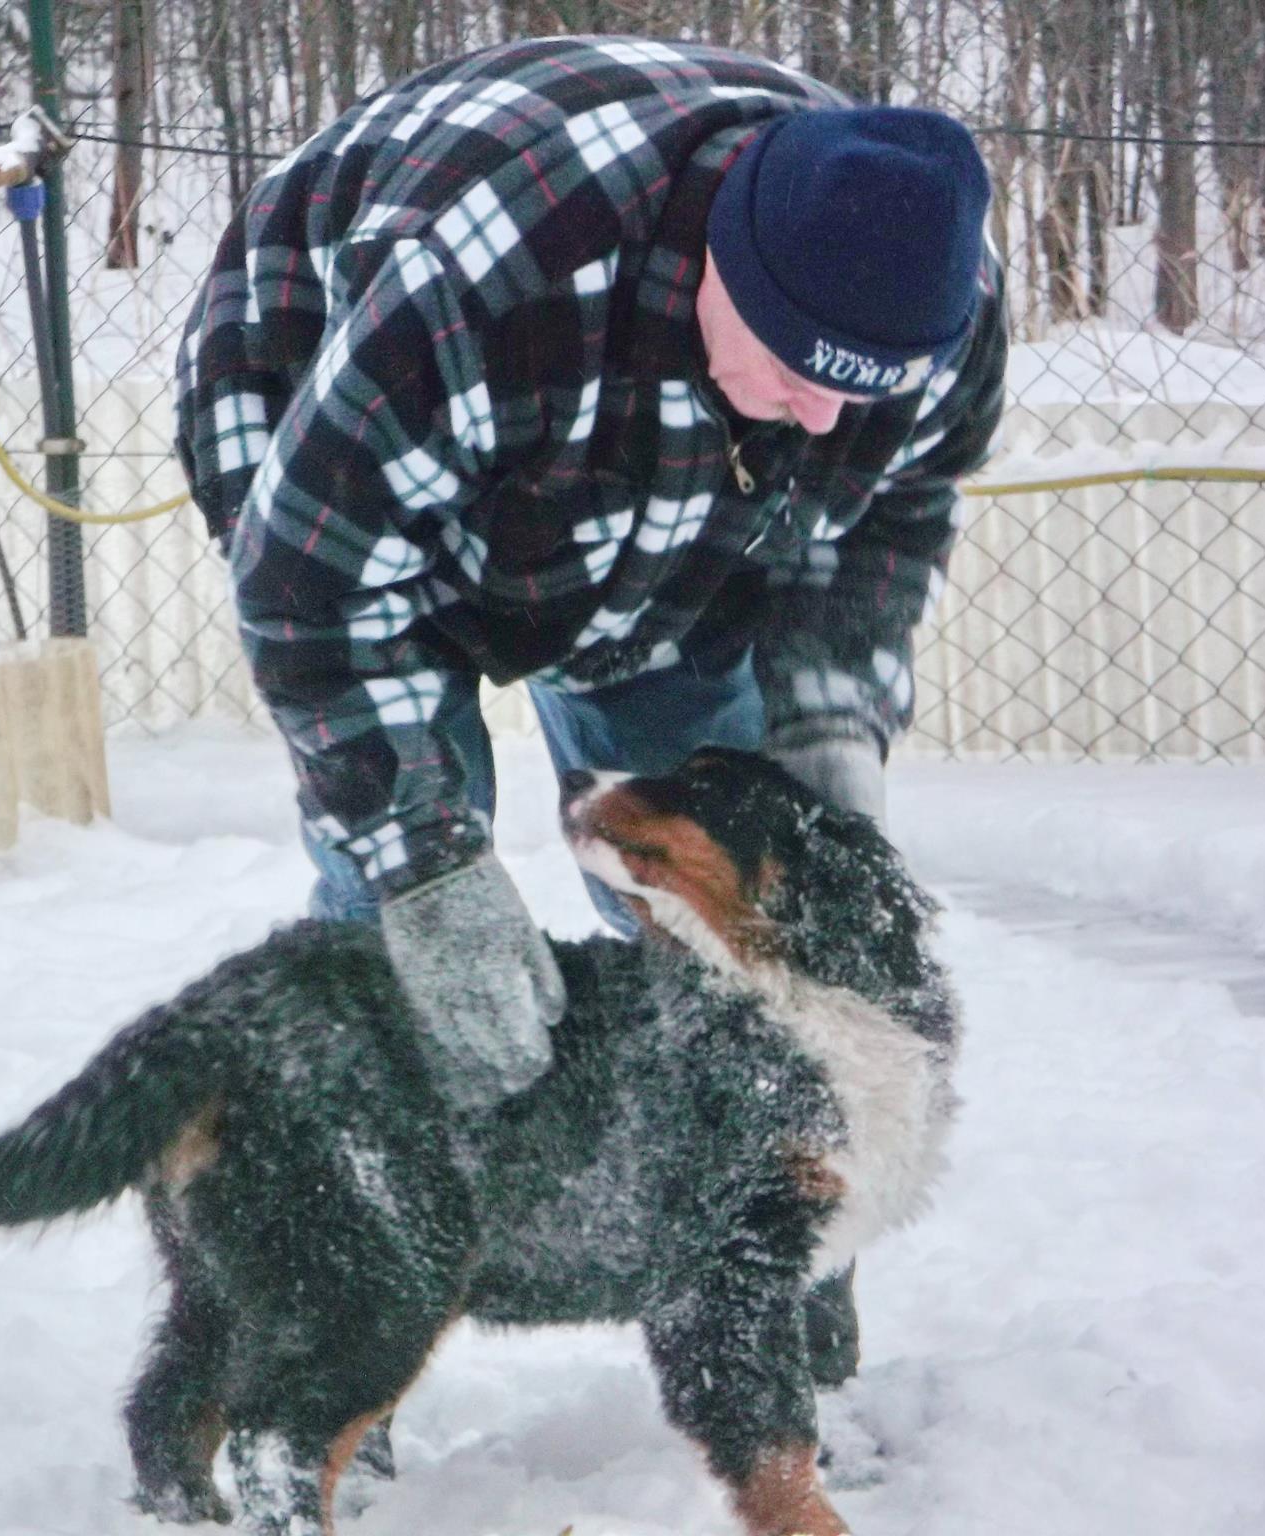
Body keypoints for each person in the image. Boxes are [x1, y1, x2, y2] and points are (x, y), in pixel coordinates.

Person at [173, 34, 1005, 1383]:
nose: (819, 415)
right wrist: (428, 869)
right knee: (402, 936)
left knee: (723, 876)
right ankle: (320, 1346)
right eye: (796, 365)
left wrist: (826, 722)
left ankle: (773, 1236)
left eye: (860, 388)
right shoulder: (486, 279)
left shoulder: (935, 298)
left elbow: (887, 517)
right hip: (347, 456)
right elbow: (315, 595)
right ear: (727, 260)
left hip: (664, 519)